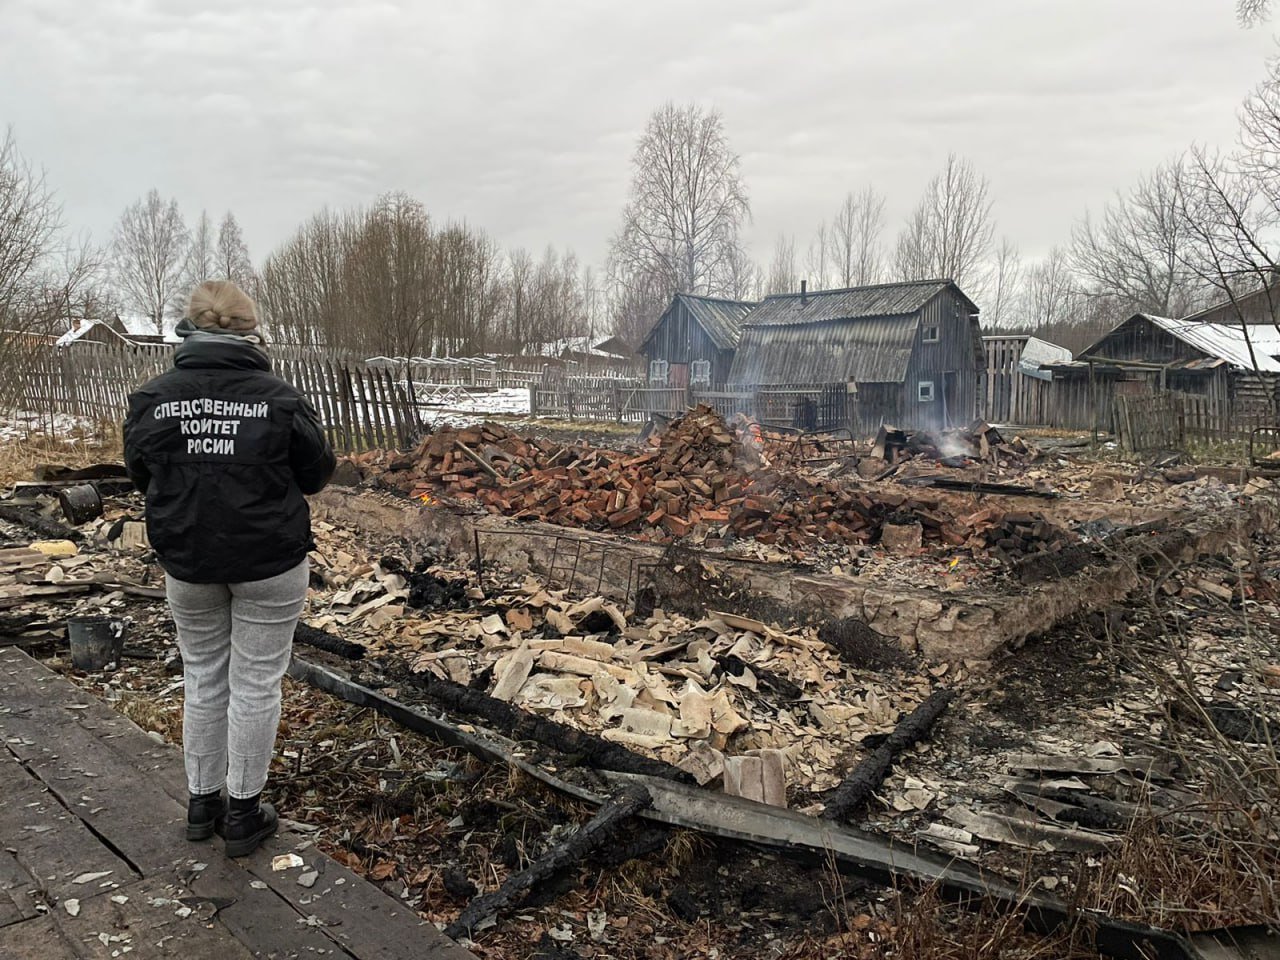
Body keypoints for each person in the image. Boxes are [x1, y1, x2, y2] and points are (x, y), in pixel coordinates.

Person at [123, 280, 335, 857]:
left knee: (204, 678)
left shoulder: (152, 399)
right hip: (269, 562)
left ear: (188, 329)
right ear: (250, 330)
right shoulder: (280, 398)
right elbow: (316, 474)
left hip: (188, 561)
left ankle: (201, 804)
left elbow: (143, 477)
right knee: (257, 682)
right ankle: (243, 812)